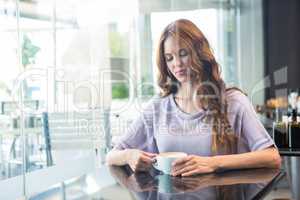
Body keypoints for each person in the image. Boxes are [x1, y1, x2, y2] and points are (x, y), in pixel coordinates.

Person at [106, 19, 281, 176]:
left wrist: (213, 164)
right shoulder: (158, 107)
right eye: (169, 58)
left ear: (200, 53)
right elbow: (112, 156)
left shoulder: (234, 101)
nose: (177, 64)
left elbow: (272, 157)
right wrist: (129, 155)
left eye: (183, 54)